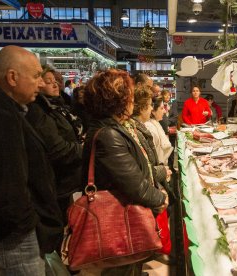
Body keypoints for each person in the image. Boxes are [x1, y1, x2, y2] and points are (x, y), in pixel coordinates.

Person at [82, 69, 168, 275]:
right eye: (128, 95)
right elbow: (134, 184)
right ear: (118, 100)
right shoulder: (109, 134)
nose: (132, 101)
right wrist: (160, 197)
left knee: (130, 262)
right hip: (117, 220)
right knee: (121, 265)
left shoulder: (113, 127)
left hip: (124, 217)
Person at [0, 46, 63, 275]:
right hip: (14, 242)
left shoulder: (9, 111)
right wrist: (31, 226)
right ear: (12, 77)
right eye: (36, 76)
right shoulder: (2, 116)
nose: (40, 84)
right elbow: (7, 188)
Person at [26, 66, 83, 223]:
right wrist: (83, 148)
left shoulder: (60, 107)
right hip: (61, 183)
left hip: (71, 179)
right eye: (48, 81)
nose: (54, 84)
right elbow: (57, 149)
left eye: (55, 81)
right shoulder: (38, 111)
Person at [145, 97, 174, 168]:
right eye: (161, 108)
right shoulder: (150, 127)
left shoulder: (156, 123)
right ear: (153, 111)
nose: (164, 111)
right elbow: (153, 157)